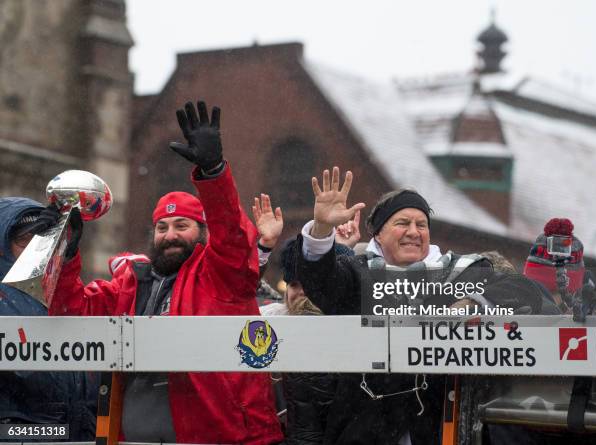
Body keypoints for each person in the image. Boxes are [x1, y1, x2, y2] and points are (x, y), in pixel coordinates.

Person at [50, 100, 283, 444]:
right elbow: (72, 310)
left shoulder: (221, 275)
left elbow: (232, 232)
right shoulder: (131, 281)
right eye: (162, 227)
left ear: (203, 231)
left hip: (220, 435)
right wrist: (67, 253)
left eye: (181, 225)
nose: (170, 235)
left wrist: (214, 173)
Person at [290, 167, 543, 445]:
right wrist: (322, 229)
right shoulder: (358, 275)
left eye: (421, 225)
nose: (413, 232)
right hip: (364, 431)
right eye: (402, 223)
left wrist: (472, 302)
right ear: (378, 235)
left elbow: (524, 290)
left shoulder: (458, 272)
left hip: (440, 429)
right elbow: (320, 280)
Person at [0, 197, 96, 439]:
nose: (34, 250)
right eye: (24, 241)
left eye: (41, 240)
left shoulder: (55, 291)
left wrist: (66, 255)